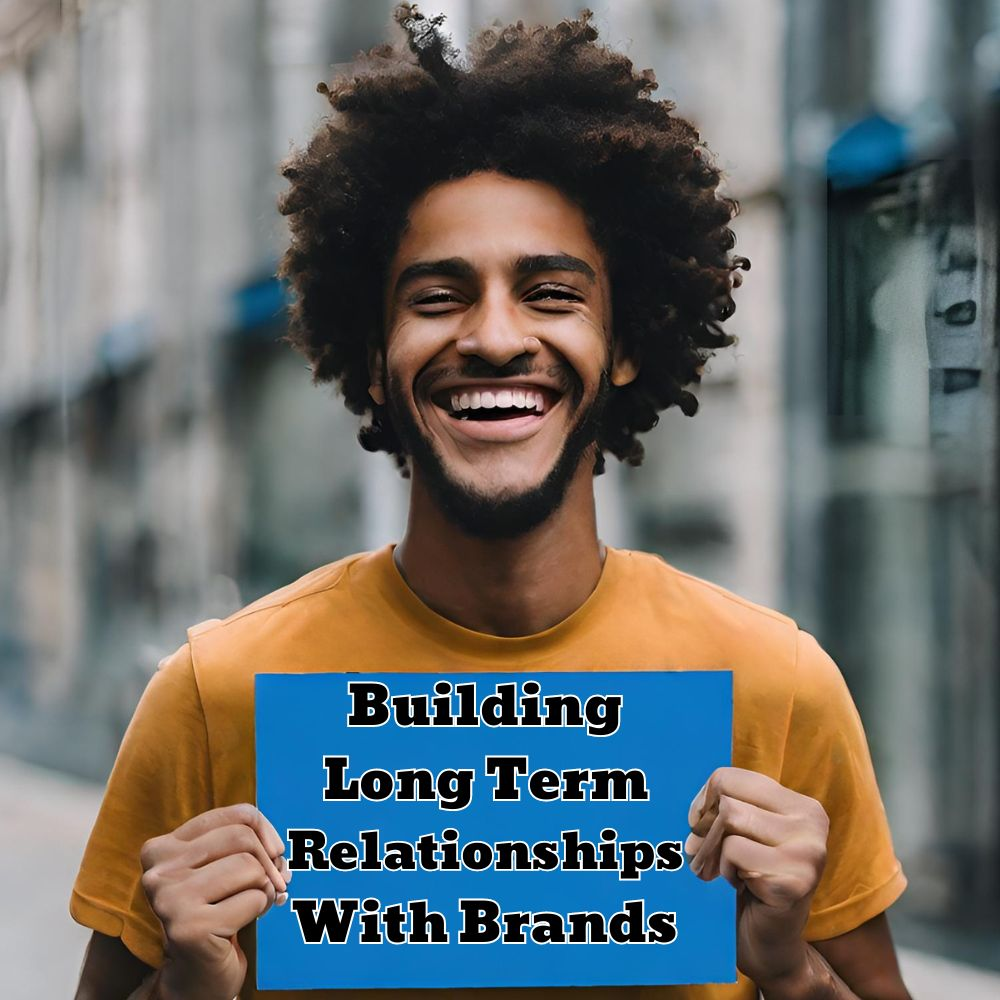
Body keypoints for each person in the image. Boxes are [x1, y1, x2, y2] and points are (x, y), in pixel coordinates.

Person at [71, 7, 910, 999]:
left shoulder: (776, 689)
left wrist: (792, 972)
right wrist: (184, 989)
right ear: (375, 360)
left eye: (551, 292)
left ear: (627, 342)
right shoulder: (212, 697)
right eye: (436, 297)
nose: (496, 336)